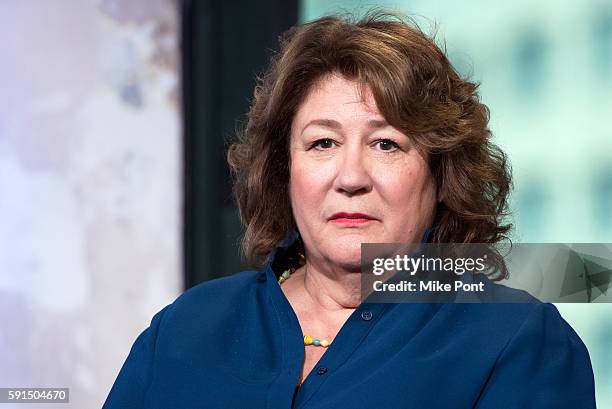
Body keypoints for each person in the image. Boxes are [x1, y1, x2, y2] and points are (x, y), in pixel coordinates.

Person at [103, 12, 596, 409]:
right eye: (322, 143)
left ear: (442, 174)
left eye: (386, 144)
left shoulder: (517, 341)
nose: (351, 176)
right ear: (284, 170)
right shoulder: (185, 328)